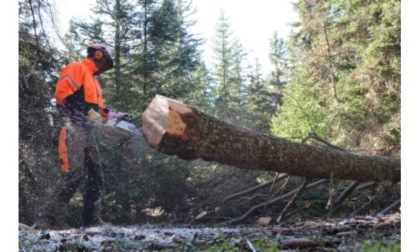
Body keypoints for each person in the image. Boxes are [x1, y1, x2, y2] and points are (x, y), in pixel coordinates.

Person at [34, 43, 115, 229]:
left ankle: (92, 220)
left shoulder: (94, 81)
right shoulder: (77, 67)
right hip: (70, 125)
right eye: (105, 63)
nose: (104, 68)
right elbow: (62, 94)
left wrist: (109, 115)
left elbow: (98, 109)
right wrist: (86, 110)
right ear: (97, 55)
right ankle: (46, 219)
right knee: (74, 173)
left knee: (96, 174)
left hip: (87, 129)